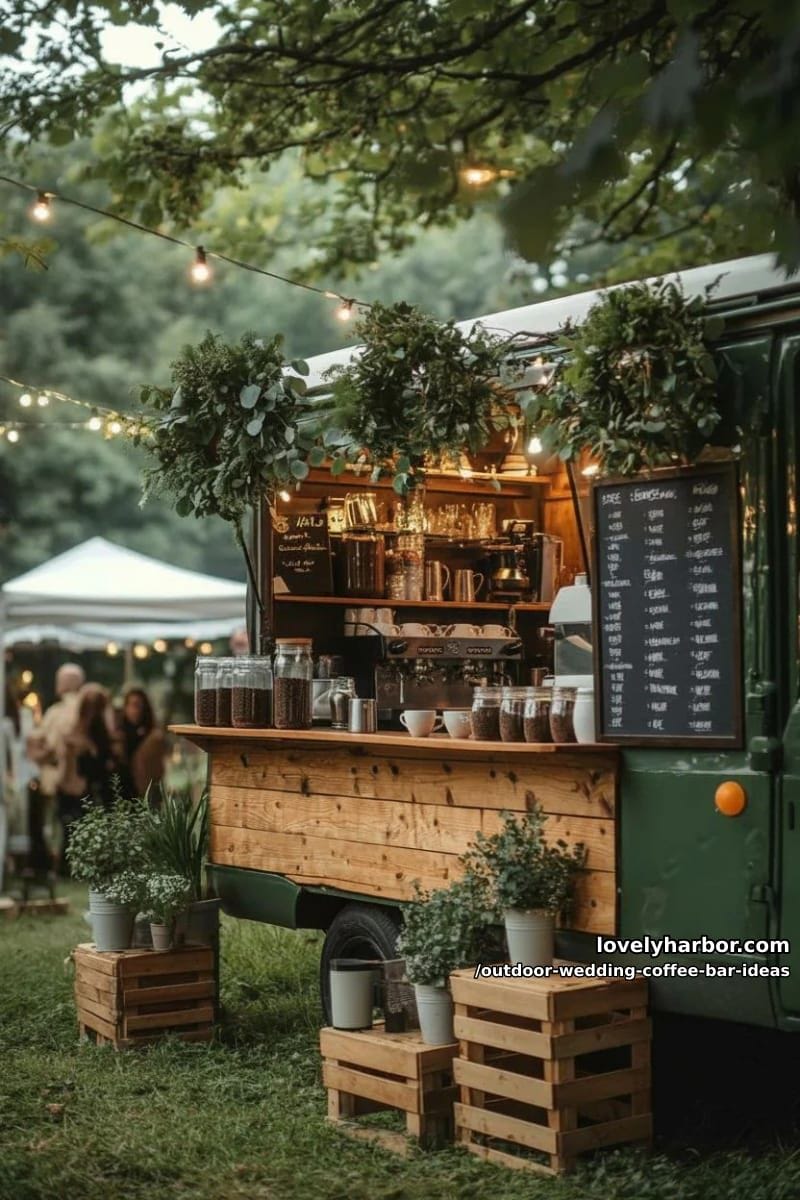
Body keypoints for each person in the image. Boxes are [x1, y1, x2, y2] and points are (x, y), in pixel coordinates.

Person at [56, 684, 122, 860]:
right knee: (76, 824)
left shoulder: (97, 727)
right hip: (79, 784)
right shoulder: (78, 729)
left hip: (93, 783)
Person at [118, 686, 166, 798]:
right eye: (129, 705)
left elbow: (158, 771)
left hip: (143, 793)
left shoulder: (153, 737)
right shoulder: (119, 734)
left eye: (137, 705)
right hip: (121, 791)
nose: (133, 710)